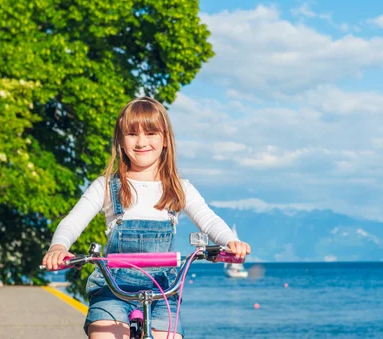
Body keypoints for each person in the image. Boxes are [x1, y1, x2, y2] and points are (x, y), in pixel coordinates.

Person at [42, 97, 251, 339]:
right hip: (113, 290)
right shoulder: (107, 186)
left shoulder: (179, 188)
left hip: (163, 290)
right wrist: (59, 247)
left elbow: (209, 219)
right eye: (132, 134)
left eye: (151, 133)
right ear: (120, 140)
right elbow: (73, 221)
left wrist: (229, 242)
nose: (141, 142)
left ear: (165, 140)